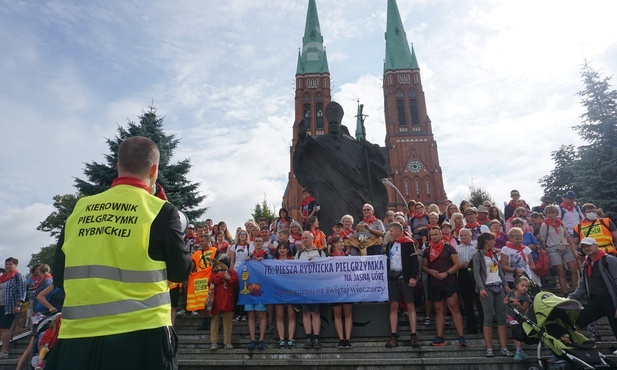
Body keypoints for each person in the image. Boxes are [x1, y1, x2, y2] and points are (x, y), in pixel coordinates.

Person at [46, 136, 191, 370]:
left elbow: (59, 276)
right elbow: (180, 271)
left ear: (117, 166)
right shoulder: (160, 210)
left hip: (77, 338)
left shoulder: (80, 209)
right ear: (154, 170)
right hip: (143, 335)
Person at [292, 102, 389, 236]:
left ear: (340, 123)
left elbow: (374, 160)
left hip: (352, 192)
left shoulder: (351, 142)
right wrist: (302, 137)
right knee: (328, 223)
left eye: (335, 123)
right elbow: (304, 152)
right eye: (330, 123)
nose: (333, 125)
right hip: (328, 192)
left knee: (354, 221)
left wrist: (368, 146)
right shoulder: (319, 141)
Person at [422, 227, 466, 347]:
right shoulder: (427, 250)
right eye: (432, 235)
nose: (434, 236)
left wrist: (446, 273)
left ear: (441, 235)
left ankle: (461, 337)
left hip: (449, 281)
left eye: (436, 234)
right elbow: (424, 267)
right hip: (435, 283)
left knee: (454, 308)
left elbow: (457, 264)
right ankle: (439, 338)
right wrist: (429, 271)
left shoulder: (448, 247)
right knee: (438, 310)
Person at [472, 233, 512, 358]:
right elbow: (477, 273)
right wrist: (481, 288)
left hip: (498, 285)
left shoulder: (494, 254)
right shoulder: (478, 255)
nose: (494, 242)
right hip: (486, 288)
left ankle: (504, 347)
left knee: (501, 317)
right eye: (492, 240)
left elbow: (500, 270)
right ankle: (489, 348)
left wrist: (505, 283)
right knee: (488, 318)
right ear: (486, 241)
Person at [569, 238, 617, 340]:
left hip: (611, 299)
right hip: (597, 300)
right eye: (584, 247)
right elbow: (582, 286)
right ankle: (582, 347)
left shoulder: (609, 260)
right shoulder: (586, 265)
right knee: (576, 322)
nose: (586, 248)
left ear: (596, 246)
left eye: (589, 245)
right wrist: (569, 299)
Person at [384, 222, 420, 348]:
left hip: (405, 279)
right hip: (393, 279)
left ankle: (414, 335)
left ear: (399, 231)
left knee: (410, 305)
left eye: (392, 231)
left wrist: (413, 277)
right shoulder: (389, 245)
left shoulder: (408, 243)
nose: (390, 233)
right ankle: (393, 336)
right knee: (393, 306)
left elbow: (415, 262)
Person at [296, 231, 326, 349]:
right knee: (306, 313)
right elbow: (293, 269)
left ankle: (316, 338)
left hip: (316, 287)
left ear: (312, 239)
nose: (304, 240)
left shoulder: (319, 252)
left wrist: (316, 261)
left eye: (306, 238)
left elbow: (326, 268)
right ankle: (308, 337)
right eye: (303, 238)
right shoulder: (298, 254)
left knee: (316, 312)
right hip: (303, 287)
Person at [539, 205, 579, 296]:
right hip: (553, 248)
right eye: (549, 213)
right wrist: (546, 250)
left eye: (553, 213)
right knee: (560, 271)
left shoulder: (561, 223)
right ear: (546, 214)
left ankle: (576, 291)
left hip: (565, 247)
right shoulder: (545, 224)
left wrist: (573, 247)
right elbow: (543, 239)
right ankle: (565, 293)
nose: (551, 215)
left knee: (573, 269)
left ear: (556, 214)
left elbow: (567, 235)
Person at [0, 257, 27, 359]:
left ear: (15, 265)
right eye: (6, 264)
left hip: (9, 306)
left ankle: (4, 351)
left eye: (10, 264)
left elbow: (22, 291)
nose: (7, 266)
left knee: (5, 327)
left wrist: (19, 305)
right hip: (0, 304)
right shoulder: (2, 277)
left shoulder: (18, 276)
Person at [330, 237, 354, 348]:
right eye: (339, 242)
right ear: (334, 244)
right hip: (335, 289)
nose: (342, 244)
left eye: (342, 242)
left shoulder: (348, 257)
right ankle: (341, 339)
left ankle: (347, 339)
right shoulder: (329, 258)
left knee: (348, 313)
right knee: (337, 314)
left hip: (347, 288)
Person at [455, 229, 481, 335]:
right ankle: (471, 327)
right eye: (461, 235)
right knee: (467, 301)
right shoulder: (456, 248)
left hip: (475, 274)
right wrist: (461, 265)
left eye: (466, 235)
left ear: (470, 236)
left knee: (479, 300)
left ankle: (483, 325)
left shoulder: (476, 246)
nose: (464, 237)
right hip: (463, 273)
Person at [209, 260, 239, 350]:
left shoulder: (231, 271)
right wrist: (222, 275)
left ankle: (227, 343)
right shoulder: (214, 271)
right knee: (214, 322)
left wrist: (229, 278)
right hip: (216, 300)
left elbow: (236, 283)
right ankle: (214, 342)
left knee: (228, 322)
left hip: (228, 300)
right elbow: (210, 281)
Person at [190, 236, 217, 330]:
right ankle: (204, 322)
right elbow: (192, 265)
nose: (200, 243)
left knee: (210, 301)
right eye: (199, 241)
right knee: (201, 302)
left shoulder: (215, 250)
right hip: (199, 281)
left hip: (211, 279)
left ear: (209, 241)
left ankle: (212, 322)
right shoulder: (196, 253)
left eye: (203, 241)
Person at [273, 242, 296, 349]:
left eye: (284, 248)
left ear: (287, 250)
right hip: (278, 292)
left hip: (291, 291)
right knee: (279, 316)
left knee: (291, 315)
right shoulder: (272, 262)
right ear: (277, 250)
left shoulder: (293, 261)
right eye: (280, 248)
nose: (282, 250)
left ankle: (291, 339)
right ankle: (282, 340)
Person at [504, 275, 531, 361]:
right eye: (522, 285)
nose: (524, 288)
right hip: (511, 314)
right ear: (517, 285)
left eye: (526, 286)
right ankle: (518, 350)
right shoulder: (511, 292)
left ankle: (519, 351)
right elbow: (504, 301)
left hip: (519, 316)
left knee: (518, 333)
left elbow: (524, 309)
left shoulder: (526, 297)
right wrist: (511, 302)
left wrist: (518, 304)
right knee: (514, 332)